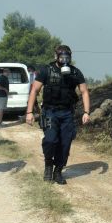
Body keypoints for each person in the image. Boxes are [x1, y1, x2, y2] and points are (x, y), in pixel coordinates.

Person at [25, 45, 90, 184]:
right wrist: (29, 112)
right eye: (62, 57)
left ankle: (58, 171)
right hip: (49, 111)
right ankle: (48, 165)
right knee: (50, 140)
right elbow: (34, 90)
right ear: (56, 56)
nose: (64, 59)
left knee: (65, 143)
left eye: (67, 57)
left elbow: (84, 91)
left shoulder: (75, 72)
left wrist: (86, 112)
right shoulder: (46, 70)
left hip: (67, 113)